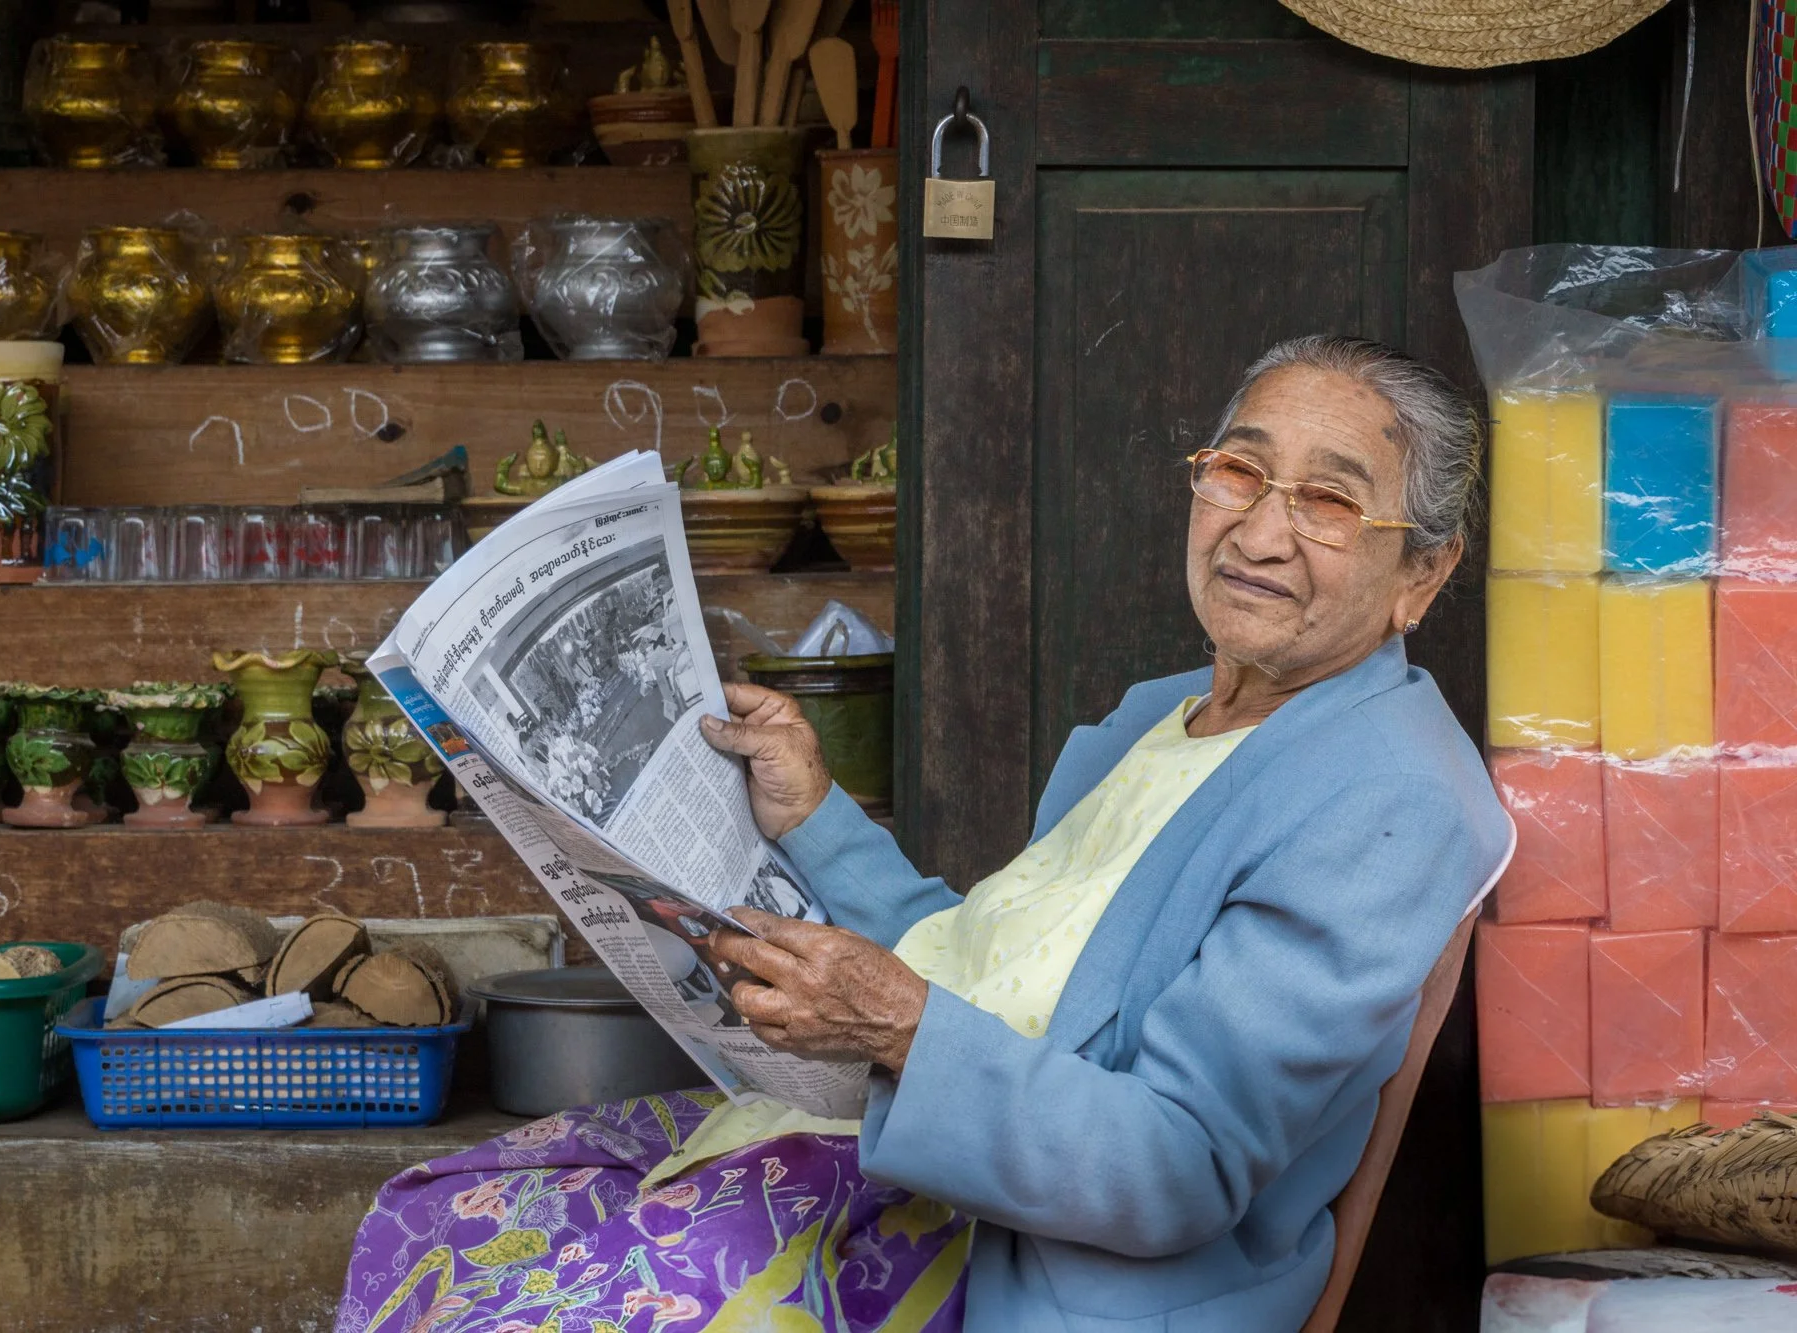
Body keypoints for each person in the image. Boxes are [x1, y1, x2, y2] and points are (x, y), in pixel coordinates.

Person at [334, 336, 1515, 1333]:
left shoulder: (1388, 800)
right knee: (466, 1205)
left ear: (1420, 574)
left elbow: (1176, 1167)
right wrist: (813, 813)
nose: (1258, 534)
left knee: (539, 1299)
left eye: (1325, 501)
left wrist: (899, 1029)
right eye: (1239, 474)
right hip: (933, 1190)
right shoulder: (1158, 717)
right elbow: (984, 971)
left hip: (1060, 1277)